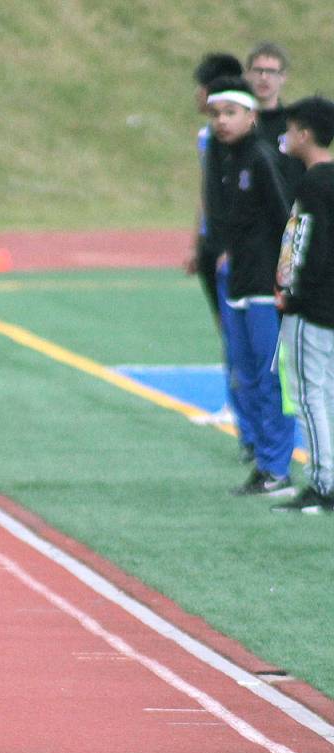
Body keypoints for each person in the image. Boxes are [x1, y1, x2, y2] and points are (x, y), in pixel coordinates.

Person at [204, 76, 296, 496]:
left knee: (270, 376)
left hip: (264, 285)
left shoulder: (260, 158)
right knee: (246, 375)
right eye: (216, 114)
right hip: (238, 282)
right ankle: (263, 462)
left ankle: (278, 468)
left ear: (251, 116)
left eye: (230, 113)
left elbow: (287, 221)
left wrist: (285, 280)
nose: (221, 122)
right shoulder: (223, 160)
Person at [186, 53, 256, 459]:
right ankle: (239, 409)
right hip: (216, 243)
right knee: (228, 331)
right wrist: (196, 240)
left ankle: (248, 415)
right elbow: (207, 191)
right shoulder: (208, 137)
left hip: (235, 248)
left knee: (240, 334)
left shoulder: (240, 142)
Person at [271, 96, 334, 513]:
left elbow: (307, 243)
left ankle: (323, 482)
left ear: (305, 134)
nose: (287, 136)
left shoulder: (313, 184)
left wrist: (292, 293)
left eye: (292, 129)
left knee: (309, 393)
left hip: (312, 308)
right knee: (326, 391)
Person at [244, 41, 305, 189]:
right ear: (247, 74)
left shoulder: (293, 124)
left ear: (283, 77)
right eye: (258, 70)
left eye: (271, 72)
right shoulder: (237, 121)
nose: (264, 77)